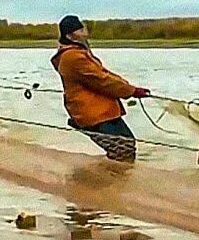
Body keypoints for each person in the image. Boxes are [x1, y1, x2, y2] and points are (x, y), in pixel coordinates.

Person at [50, 15, 151, 163]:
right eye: (80, 28)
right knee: (122, 148)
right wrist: (131, 91)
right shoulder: (73, 57)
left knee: (125, 146)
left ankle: (108, 178)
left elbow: (104, 74)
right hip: (93, 112)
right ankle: (109, 182)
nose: (84, 29)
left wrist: (130, 88)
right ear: (70, 35)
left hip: (101, 110)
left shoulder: (78, 52)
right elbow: (101, 80)